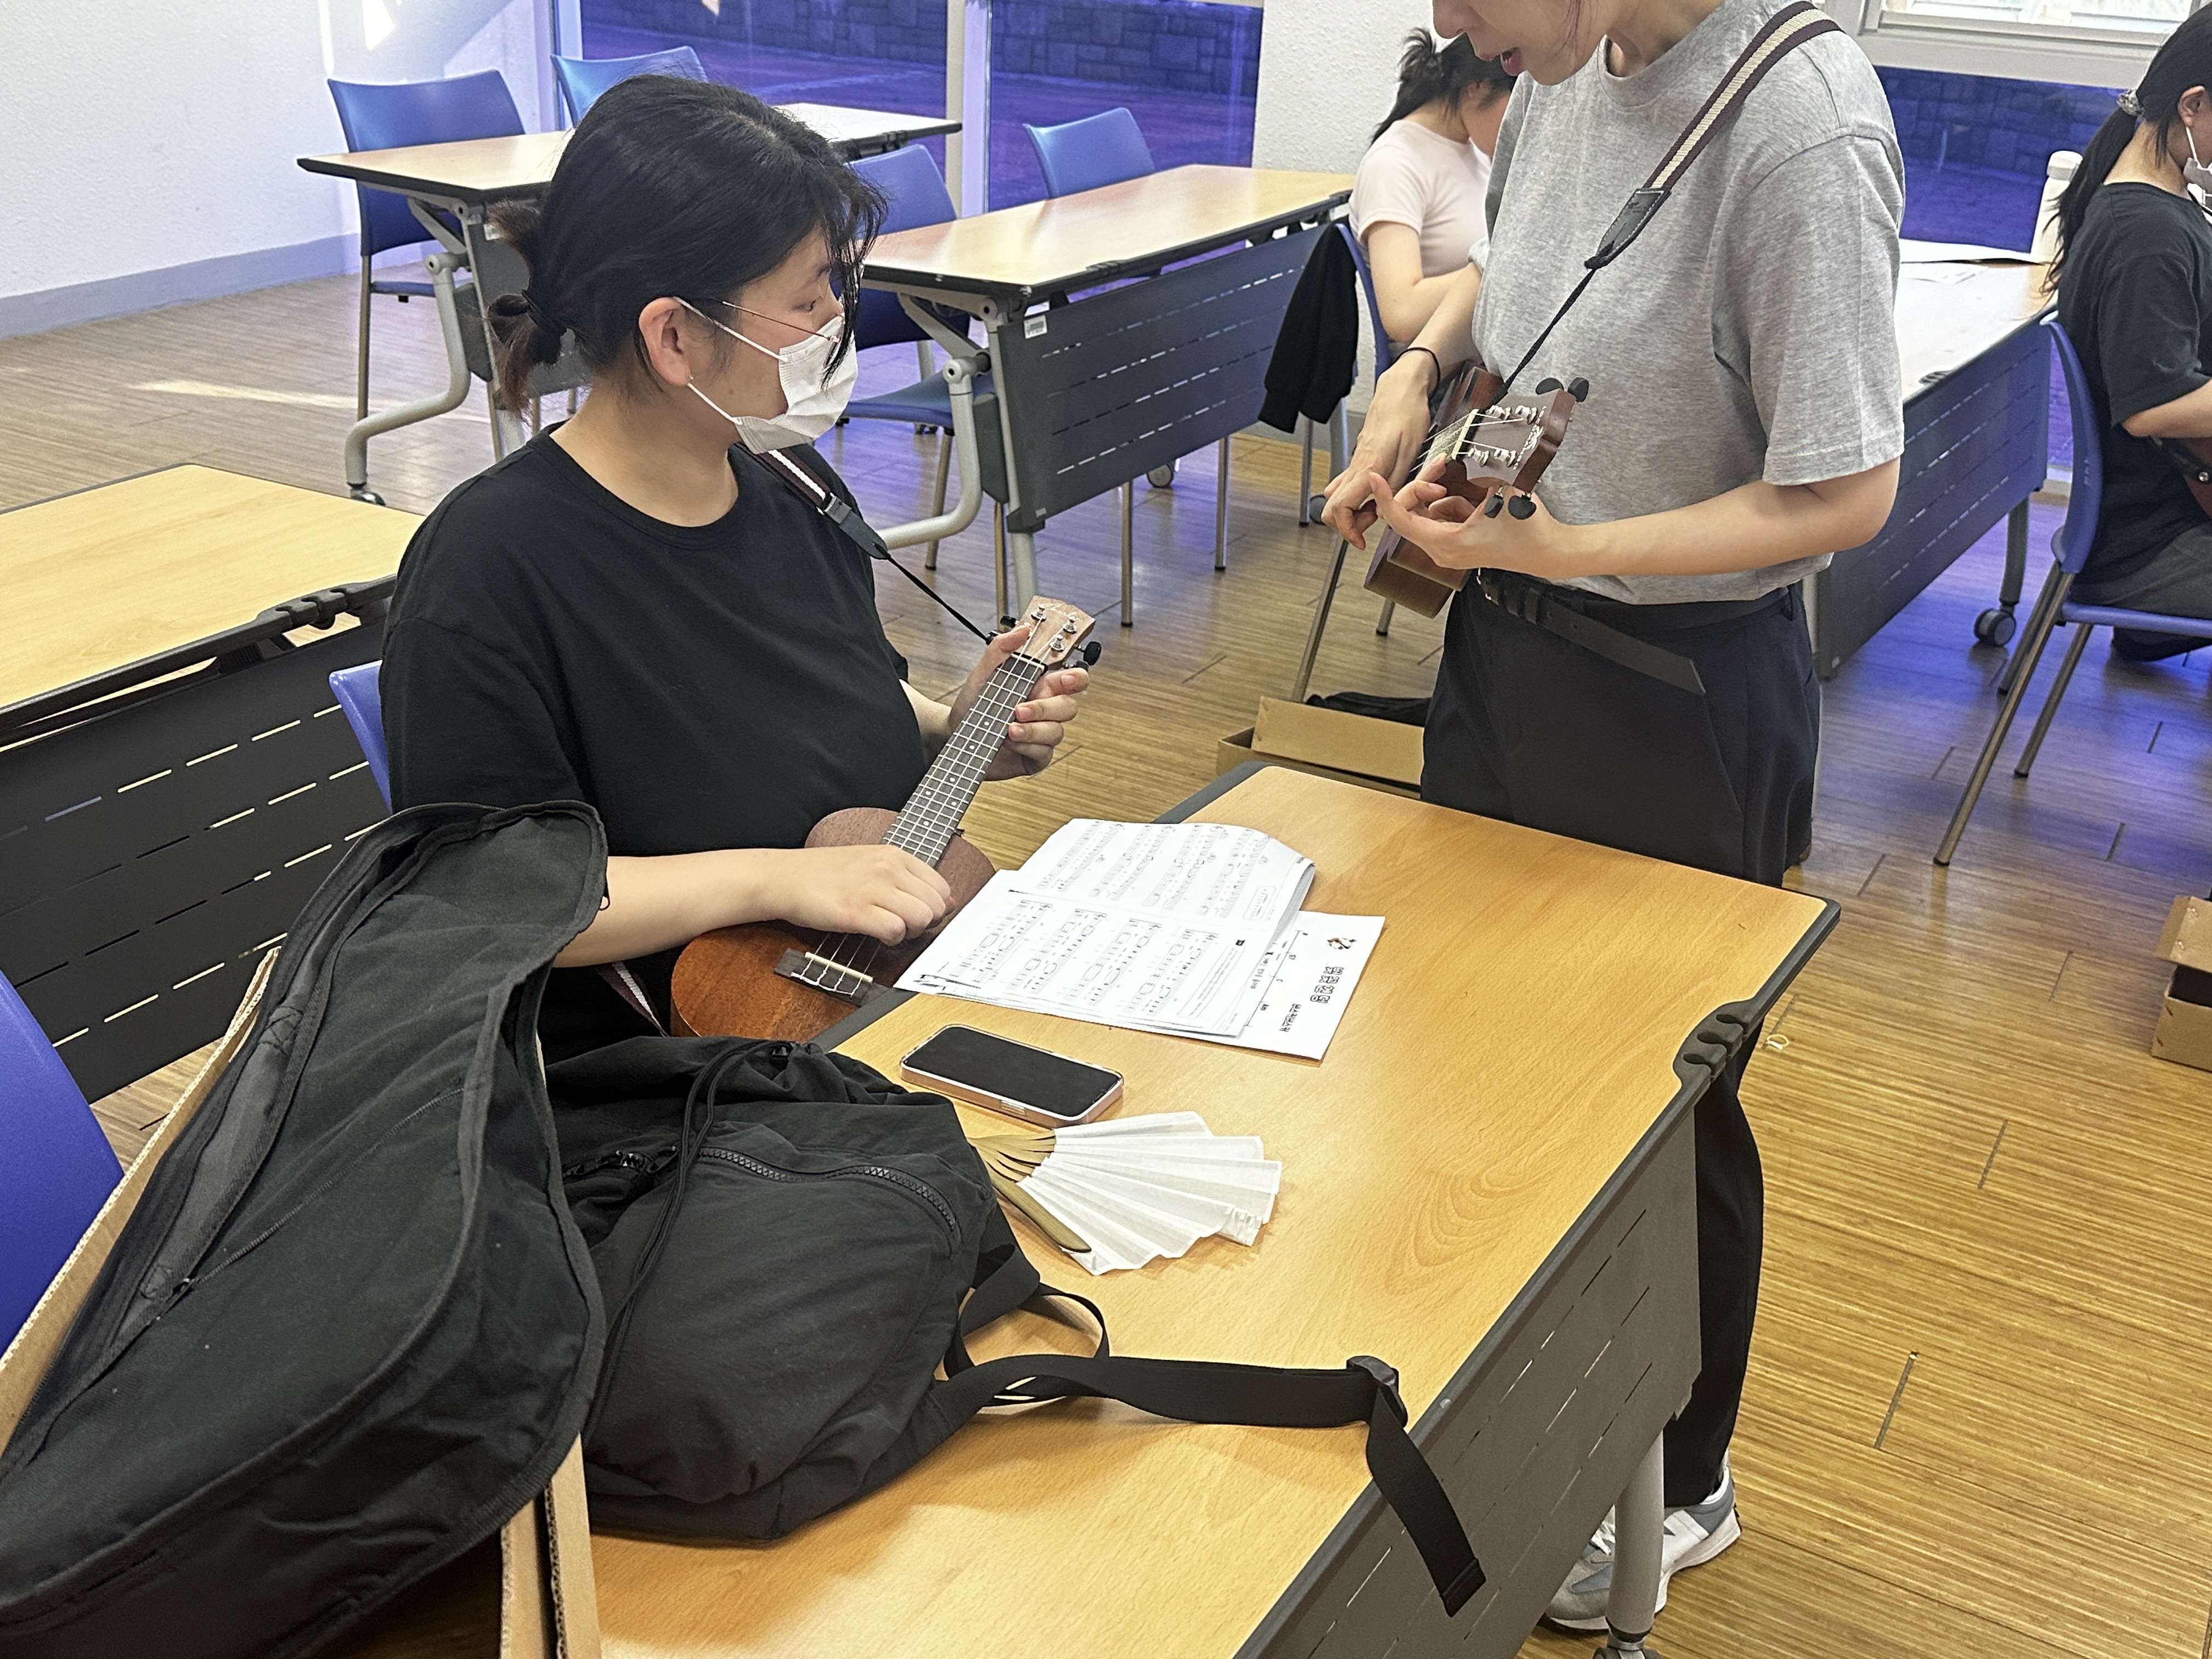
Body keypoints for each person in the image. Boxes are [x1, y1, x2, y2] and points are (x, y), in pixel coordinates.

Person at [1323, 0, 1903, 1633]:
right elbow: (1523, 292)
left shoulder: (1801, 128)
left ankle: (1687, 1474)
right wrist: (1416, 384)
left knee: (1659, 1103)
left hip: (1678, 694)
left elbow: (1846, 488)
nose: (1450, 25)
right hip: (1510, 647)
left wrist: (1572, 548)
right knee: (1477, 1045)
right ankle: (1524, 1401)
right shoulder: (1562, 70)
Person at [381, 77, 1088, 1059]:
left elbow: (815, 696)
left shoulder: (790, 485)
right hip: (674, 1056)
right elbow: (493, 896)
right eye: (810, 298)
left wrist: (953, 728)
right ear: (674, 336)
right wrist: (778, 879)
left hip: (861, 996)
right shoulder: (491, 567)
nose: (837, 321)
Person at [2046, 12, 2212, 662]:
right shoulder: (2148, 232)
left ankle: (2150, 635)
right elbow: (2154, 409)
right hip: (2148, 546)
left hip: (2161, 516)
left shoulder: (2159, 203)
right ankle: (2152, 621)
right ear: (2193, 106)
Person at [1350, 31, 1517, 345]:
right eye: (1516, 105)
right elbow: (1402, 313)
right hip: (1440, 364)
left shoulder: (1476, 151)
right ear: (1477, 87)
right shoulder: (1394, 163)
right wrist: (1509, 272)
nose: (1520, 123)